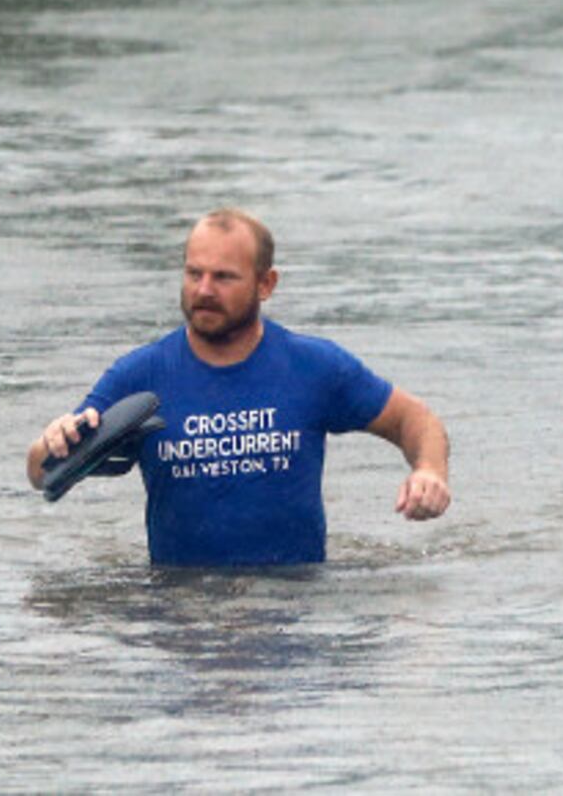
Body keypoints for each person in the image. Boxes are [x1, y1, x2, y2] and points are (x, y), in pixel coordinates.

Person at [26, 208, 450, 567]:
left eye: (224, 277)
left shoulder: (312, 367)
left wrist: (429, 471)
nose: (204, 290)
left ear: (266, 285)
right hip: (178, 610)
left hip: (295, 604)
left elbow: (415, 420)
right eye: (194, 274)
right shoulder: (142, 374)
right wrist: (52, 441)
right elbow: (41, 471)